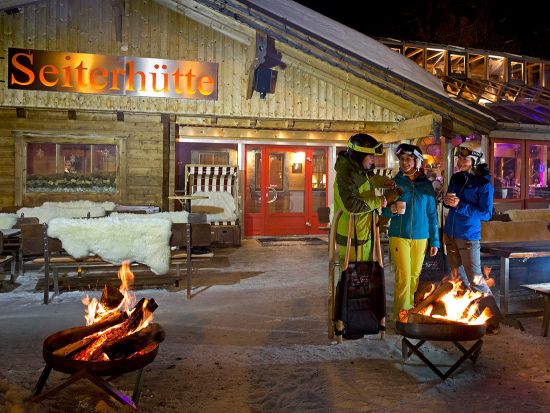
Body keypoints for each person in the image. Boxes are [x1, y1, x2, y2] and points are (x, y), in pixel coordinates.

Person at [381, 144, 440, 320]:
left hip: (421, 237)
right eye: (402, 159)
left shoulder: (426, 186)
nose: (404, 162)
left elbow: (432, 214)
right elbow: (383, 211)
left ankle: (410, 311)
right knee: (404, 277)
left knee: (414, 277)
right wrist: (390, 209)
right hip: (399, 235)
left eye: (408, 159)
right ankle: (402, 317)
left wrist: (435, 240)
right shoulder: (394, 183)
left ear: (417, 161)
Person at [333, 133, 399, 266]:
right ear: (359, 156)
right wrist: (379, 201)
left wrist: (385, 182)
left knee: (364, 275)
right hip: (351, 236)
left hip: (363, 232)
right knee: (351, 277)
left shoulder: (357, 169)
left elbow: (369, 179)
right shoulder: (345, 176)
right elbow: (350, 205)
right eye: (370, 156)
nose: (373, 160)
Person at [443, 142, 493, 295]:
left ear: (475, 161)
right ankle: (465, 315)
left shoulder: (484, 184)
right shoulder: (456, 178)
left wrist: (460, 205)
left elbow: (486, 214)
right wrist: (447, 202)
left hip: (468, 237)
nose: (460, 162)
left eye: (466, 159)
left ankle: (493, 315)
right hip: (450, 234)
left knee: (475, 280)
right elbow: (451, 204)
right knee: (458, 280)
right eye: (459, 158)